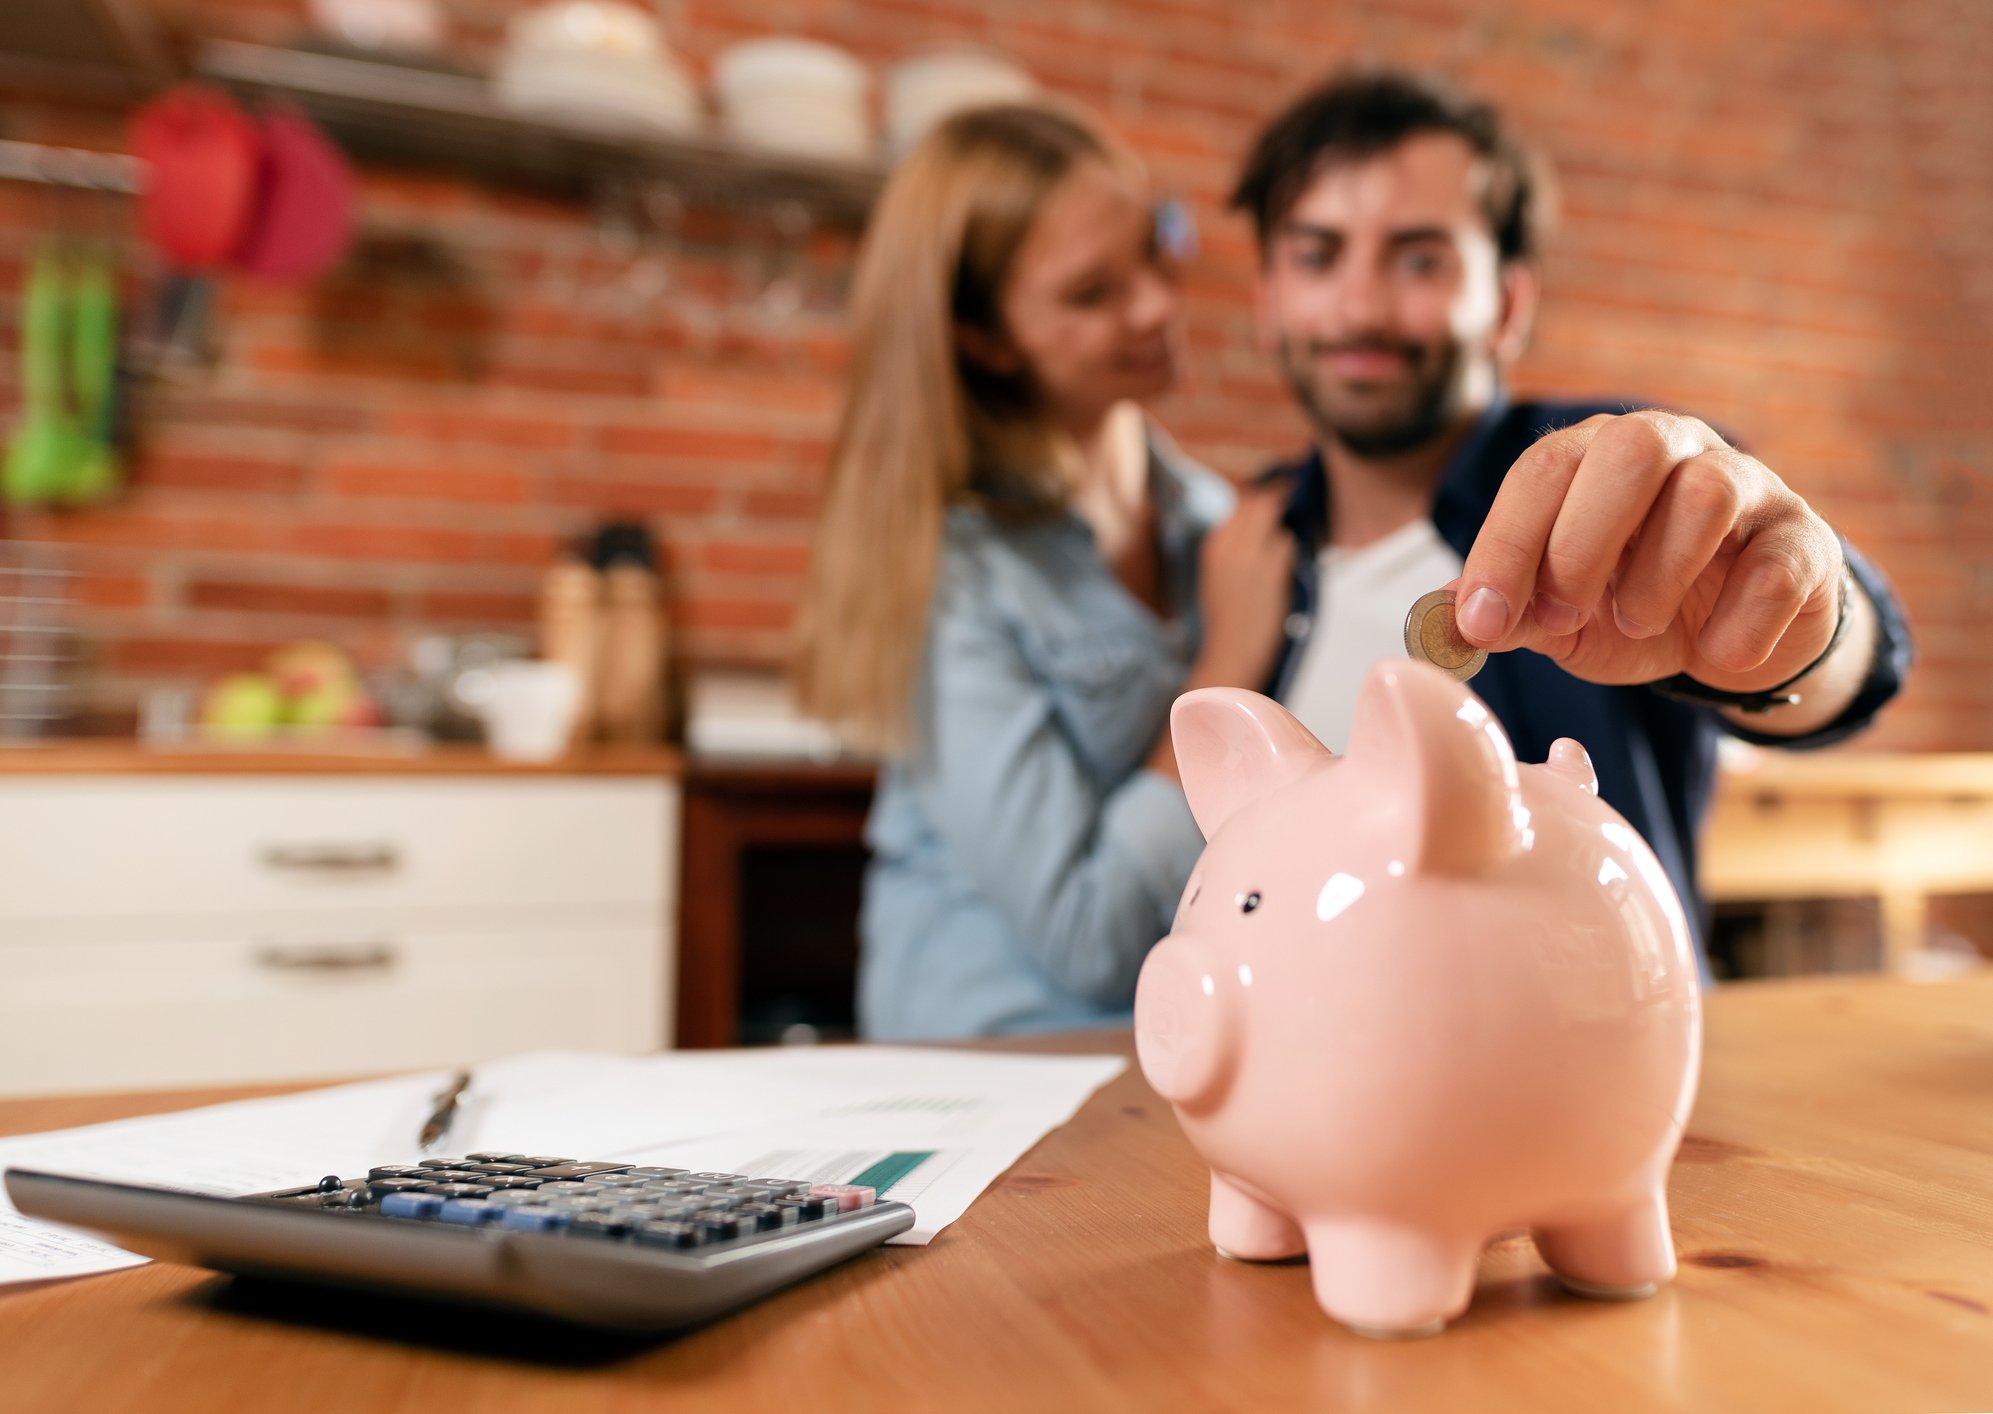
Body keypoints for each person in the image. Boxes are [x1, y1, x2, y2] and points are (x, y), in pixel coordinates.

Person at [1231, 69, 1913, 957]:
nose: (1359, 307)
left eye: (1420, 260)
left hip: (1599, 1030)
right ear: (1266, 301)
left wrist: (1799, 628)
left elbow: (1849, 662)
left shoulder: (1628, 481)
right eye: (1318, 256)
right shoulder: (1235, 543)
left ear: (1508, 305)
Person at [795, 104, 1297, 1040]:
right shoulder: (954, 572)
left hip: (1167, 1049)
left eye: (1153, 251)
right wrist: (1228, 663)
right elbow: (1086, 935)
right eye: (1091, 294)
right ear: (985, 338)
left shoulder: (1213, 524)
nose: (1156, 305)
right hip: (991, 1068)